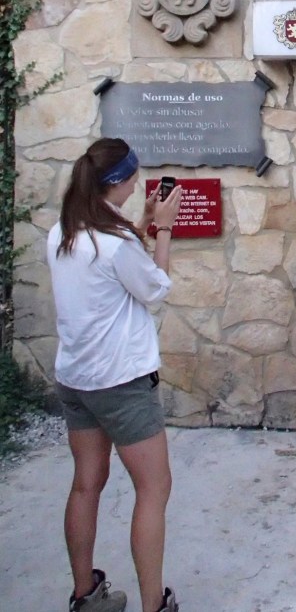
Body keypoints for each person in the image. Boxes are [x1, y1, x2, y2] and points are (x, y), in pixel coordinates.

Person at [47, 138, 183, 612]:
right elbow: (154, 288)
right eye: (133, 176)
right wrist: (163, 229)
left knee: (87, 481)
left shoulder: (65, 231)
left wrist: (141, 223)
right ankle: (154, 604)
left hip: (76, 378)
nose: (139, 184)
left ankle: (85, 594)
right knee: (154, 487)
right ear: (119, 182)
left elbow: (114, 272)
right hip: (121, 382)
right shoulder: (116, 242)